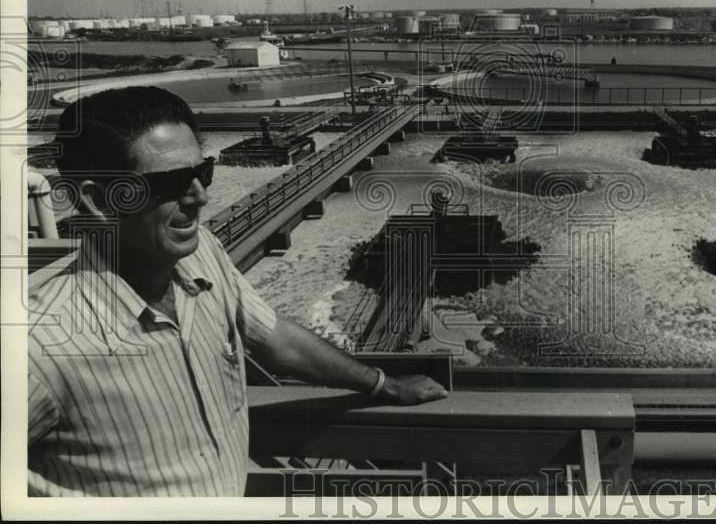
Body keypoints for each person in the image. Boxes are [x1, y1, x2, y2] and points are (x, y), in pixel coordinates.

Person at [28, 86, 447, 496]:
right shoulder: (38, 344)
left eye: (202, 172)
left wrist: (382, 384)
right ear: (101, 202)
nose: (200, 196)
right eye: (172, 182)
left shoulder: (203, 254)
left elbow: (277, 340)